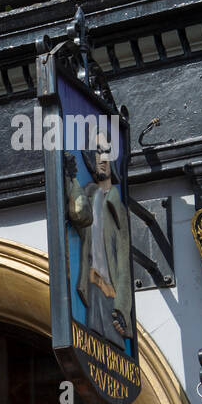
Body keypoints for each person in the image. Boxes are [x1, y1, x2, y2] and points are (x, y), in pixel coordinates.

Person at [66, 137, 132, 350]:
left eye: (105, 152)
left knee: (114, 351)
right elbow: (78, 214)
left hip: (112, 295)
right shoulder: (88, 194)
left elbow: (123, 265)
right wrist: (71, 178)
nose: (101, 159)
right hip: (92, 286)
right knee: (93, 349)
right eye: (96, 153)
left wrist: (122, 308)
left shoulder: (118, 207)